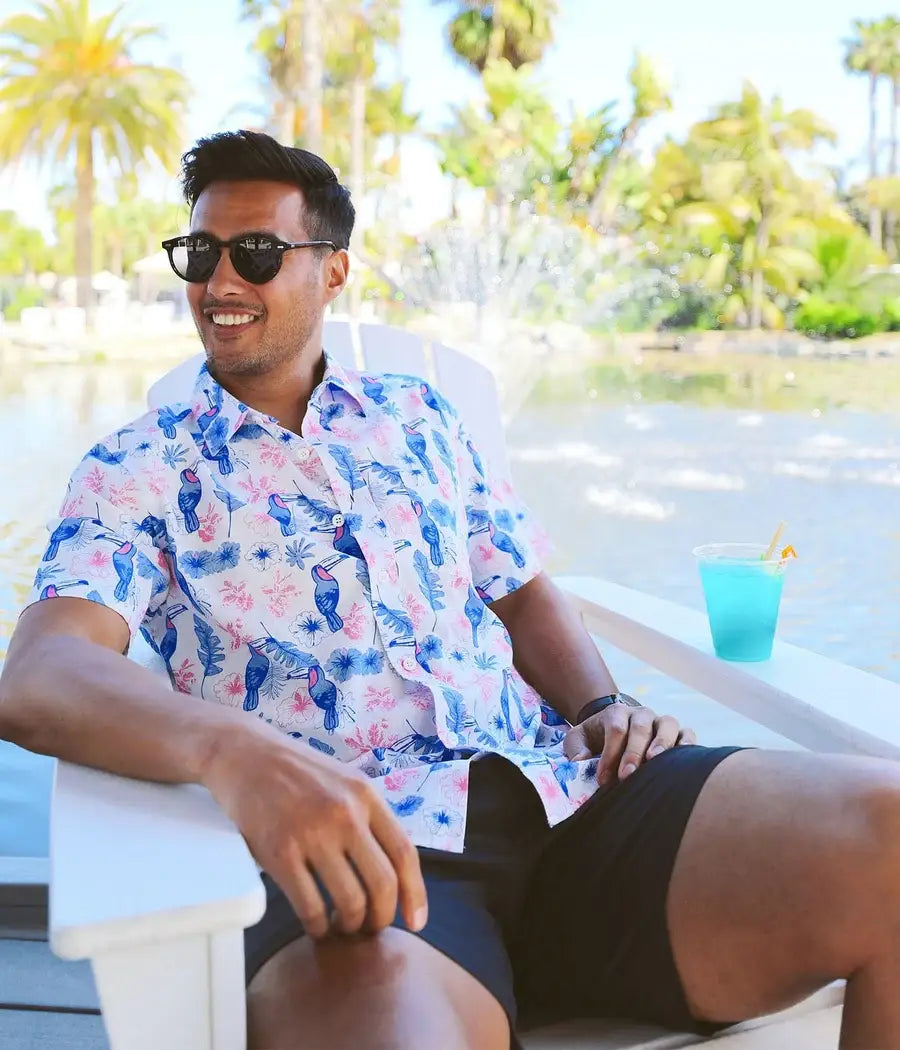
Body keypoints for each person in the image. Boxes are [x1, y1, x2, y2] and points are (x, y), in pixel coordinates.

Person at [1, 130, 899, 1050]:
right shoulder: (140, 467)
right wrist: (235, 756)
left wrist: (602, 704)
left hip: (564, 793)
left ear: (333, 270)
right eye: (201, 253)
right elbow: (39, 675)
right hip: (362, 854)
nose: (221, 280)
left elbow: (522, 590)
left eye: (257, 253)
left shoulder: (418, 416)